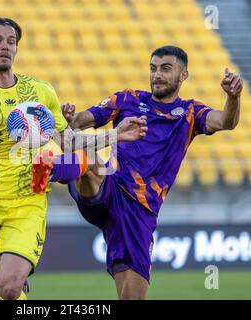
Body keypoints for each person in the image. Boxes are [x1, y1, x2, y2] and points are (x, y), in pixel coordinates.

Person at [0, 18, 148, 300]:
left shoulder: (40, 91)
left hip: (26, 204)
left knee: (10, 289)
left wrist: (115, 135)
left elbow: (68, 141)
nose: (5, 47)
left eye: (11, 42)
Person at [34, 45, 243, 300]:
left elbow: (226, 122)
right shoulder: (128, 99)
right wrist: (69, 117)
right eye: (153, 68)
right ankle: (48, 170)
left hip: (140, 211)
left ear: (183, 75)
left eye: (166, 69)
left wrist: (233, 98)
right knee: (87, 159)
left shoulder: (189, 113)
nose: (157, 75)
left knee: (131, 296)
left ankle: (55, 167)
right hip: (109, 186)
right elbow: (78, 122)